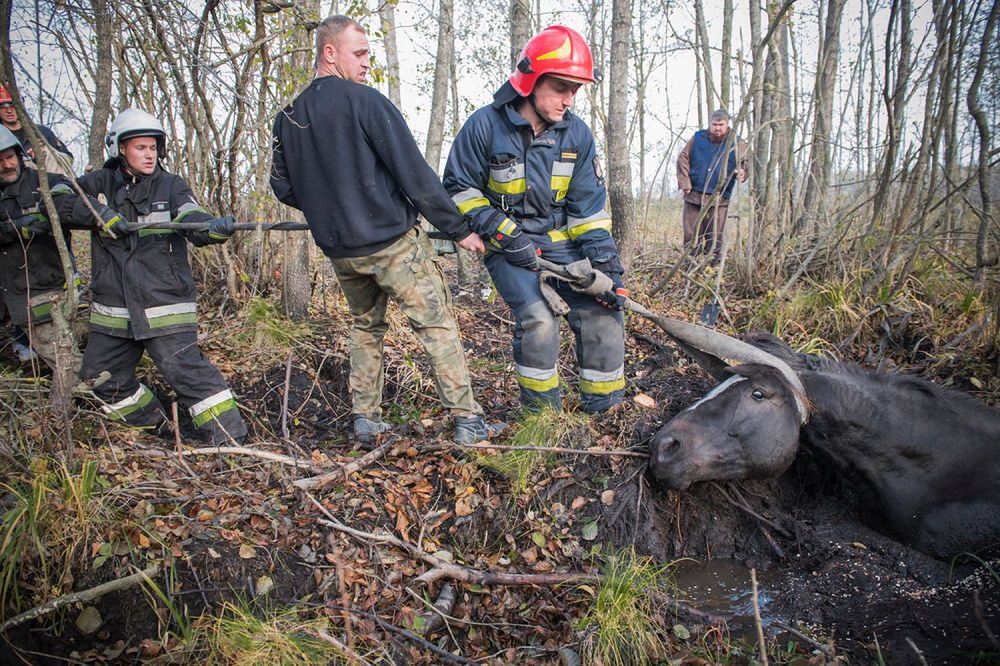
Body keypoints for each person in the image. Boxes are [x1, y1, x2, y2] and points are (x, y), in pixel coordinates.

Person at [269, 15, 505, 445]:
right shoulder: (366, 102)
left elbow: (282, 186)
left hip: (342, 251)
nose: (365, 63)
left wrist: (331, 209)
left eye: (368, 55)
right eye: (358, 53)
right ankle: (469, 422)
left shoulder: (288, 117)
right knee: (436, 325)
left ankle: (366, 419)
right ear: (329, 52)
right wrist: (457, 228)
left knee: (365, 326)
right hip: (393, 246)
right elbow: (413, 174)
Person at [443, 25, 627, 414]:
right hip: (508, 248)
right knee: (540, 320)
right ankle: (541, 418)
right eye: (561, 87)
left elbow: (589, 212)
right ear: (531, 80)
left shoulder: (577, 135)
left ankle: (605, 413)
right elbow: (459, 189)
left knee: (604, 315)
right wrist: (506, 234)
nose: (569, 99)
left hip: (564, 246)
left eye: (575, 90)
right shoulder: (484, 126)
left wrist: (609, 268)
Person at [76, 109, 248, 445]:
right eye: (141, 147)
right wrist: (101, 214)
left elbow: (190, 216)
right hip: (114, 310)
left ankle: (230, 441)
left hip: (163, 304)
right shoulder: (98, 185)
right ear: (121, 149)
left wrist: (210, 228)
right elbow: (60, 198)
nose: (150, 154)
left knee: (190, 376)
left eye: (154, 147)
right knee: (100, 380)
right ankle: (162, 428)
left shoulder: (171, 185)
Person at [0, 125, 120, 379]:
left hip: (57, 289)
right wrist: (15, 230)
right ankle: (100, 397)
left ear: (20, 155)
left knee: (105, 336)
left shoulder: (45, 182)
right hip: (21, 299)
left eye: (9, 157)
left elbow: (70, 203)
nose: (6, 165)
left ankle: (111, 392)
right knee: (66, 363)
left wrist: (103, 216)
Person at [676, 109, 748, 263]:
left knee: (715, 236)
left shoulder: (737, 142)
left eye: (721, 125)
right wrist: (685, 183)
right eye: (714, 124)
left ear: (727, 124)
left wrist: (743, 171)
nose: (717, 128)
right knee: (691, 235)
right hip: (694, 196)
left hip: (719, 199)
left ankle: (712, 267)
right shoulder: (697, 138)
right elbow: (683, 158)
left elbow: (746, 162)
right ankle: (690, 264)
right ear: (709, 124)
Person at [0, 84, 74, 178]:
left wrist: (42, 154)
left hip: (49, 180)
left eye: (13, 105)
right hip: (14, 182)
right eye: (3, 107)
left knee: (48, 153)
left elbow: (67, 159)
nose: (9, 111)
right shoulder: (1, 136)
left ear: (21, 105)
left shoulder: (42, 132)